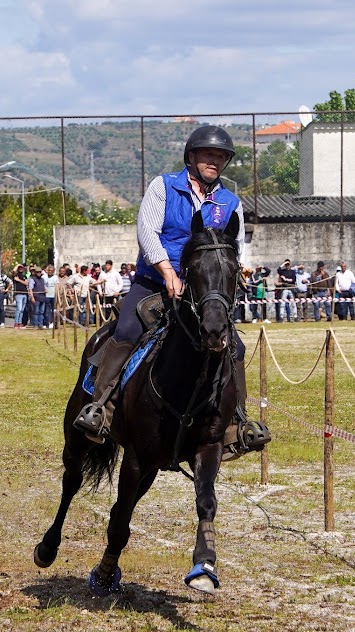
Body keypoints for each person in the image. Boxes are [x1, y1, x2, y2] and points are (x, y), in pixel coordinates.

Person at [72, 125, 267, 461]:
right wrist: (167, 271)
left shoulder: (230, 202)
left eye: (220, 157)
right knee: (127, 330)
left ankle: (237, 424)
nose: (215, 161)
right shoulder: (163, 187)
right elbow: (147, 231)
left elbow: (235, 249)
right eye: (209, 155)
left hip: (203, 291)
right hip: (155, 282)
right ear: (191, 157)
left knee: (235, 345)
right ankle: (100, 407)